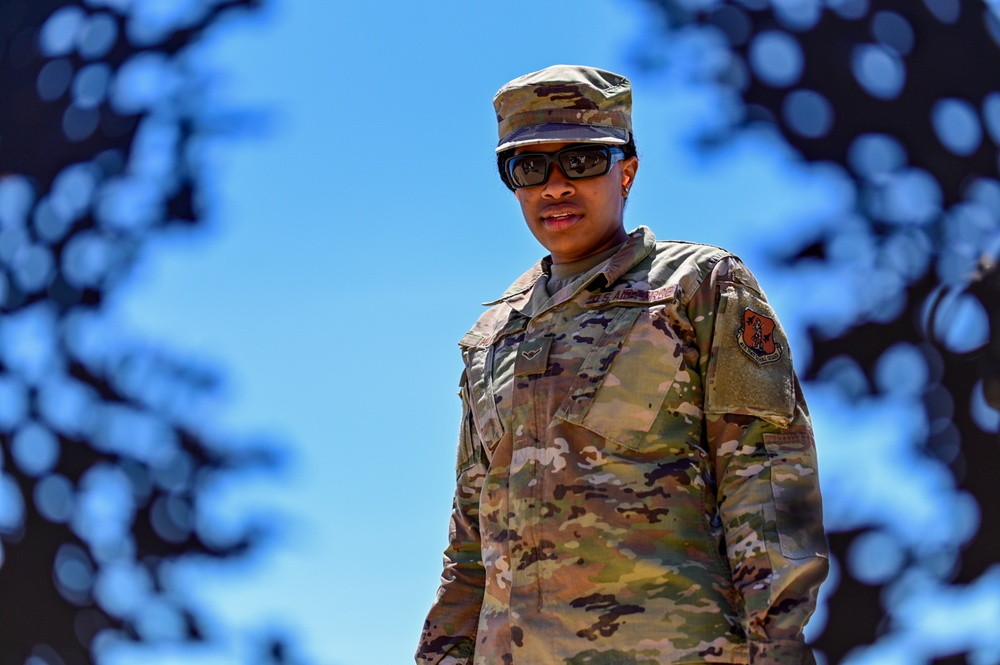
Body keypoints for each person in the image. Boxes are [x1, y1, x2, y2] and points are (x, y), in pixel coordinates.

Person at [417, 64, 828, 665]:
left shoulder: (698, 288)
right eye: (529, 168)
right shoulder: (493, 337)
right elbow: (469, 547)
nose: (555, 187)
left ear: (626, 171)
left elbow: (767, 487)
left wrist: (781, 649)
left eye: (581, 160)